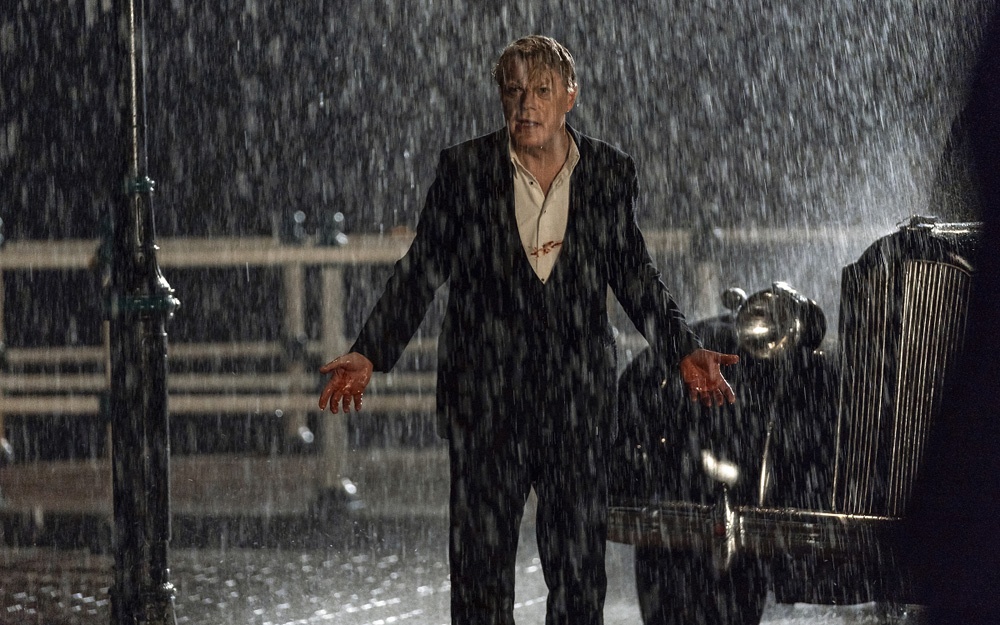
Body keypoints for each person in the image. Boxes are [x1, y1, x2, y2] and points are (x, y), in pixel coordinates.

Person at [318, 35, 738, 625]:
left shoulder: (607, 172)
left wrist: (682, 349)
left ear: (570, 96)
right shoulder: (465, 170)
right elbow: (419, 272)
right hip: (485, 402)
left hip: (576, 404)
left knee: (579, 575)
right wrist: (369, 351)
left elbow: (635, 276)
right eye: (514, 90)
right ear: (500, 96)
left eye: (541, 90)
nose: (526, 104)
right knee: (480, 579)